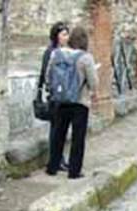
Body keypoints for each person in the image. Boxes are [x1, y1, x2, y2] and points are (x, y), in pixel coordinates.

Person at [45, 27, 98, 180]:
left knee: (58, 135)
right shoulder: (86, 58)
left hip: (60, 100)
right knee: (78, 138)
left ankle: (52, 167)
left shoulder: (57, 54)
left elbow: (49, 75)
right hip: (79, 102)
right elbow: (94, 83)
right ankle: (74, 171)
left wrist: (55, 90)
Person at [40, 22, 70, 172]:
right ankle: (56, 160)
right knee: (56, 128)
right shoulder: (50, 52)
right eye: (63, 34)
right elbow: (46, 74)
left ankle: (59, 159)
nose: (66, 37)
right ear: (56, 36)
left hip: (63, 94)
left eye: (67, 34)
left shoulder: (64, 51)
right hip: (55, 95)